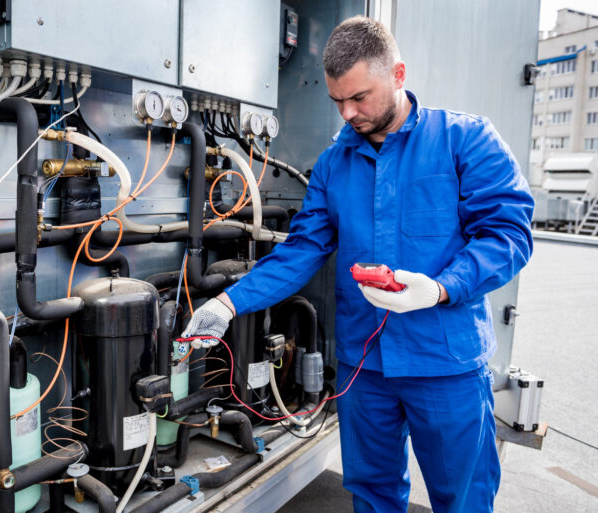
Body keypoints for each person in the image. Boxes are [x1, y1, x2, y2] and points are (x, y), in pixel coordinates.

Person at [180, 15, 534, 513]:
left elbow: (508, 234)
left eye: (359, 97)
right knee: (371, 495)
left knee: (464, 499)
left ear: (399, 74)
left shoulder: (464, 140)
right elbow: (302, 249)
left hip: (445, 362)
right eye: (336, 101)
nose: (347, 113)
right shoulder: (333, 164)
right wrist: (228, 302)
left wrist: (440, 288)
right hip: (365, 366)